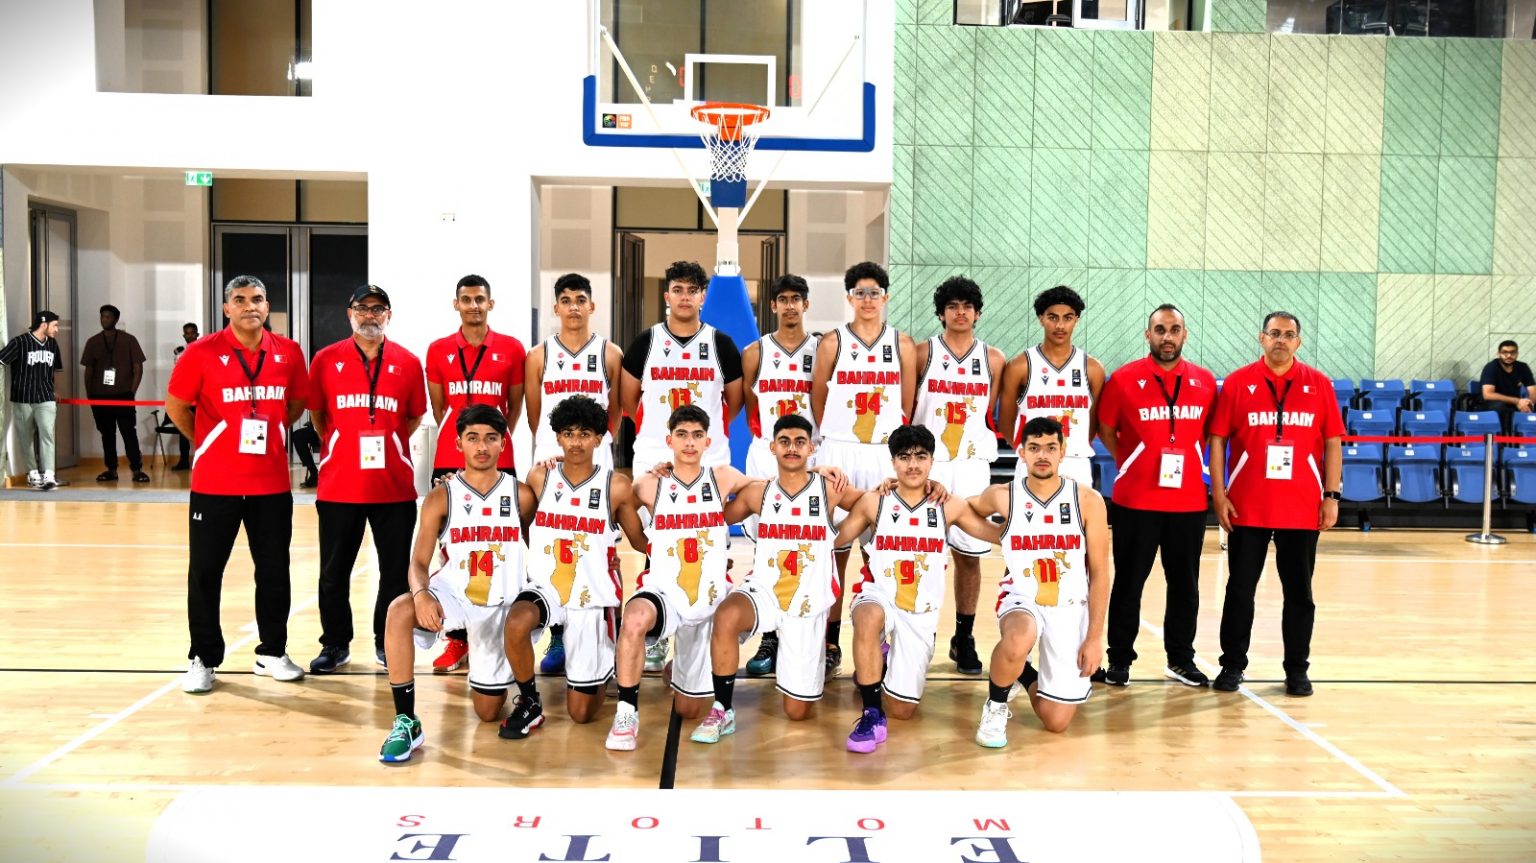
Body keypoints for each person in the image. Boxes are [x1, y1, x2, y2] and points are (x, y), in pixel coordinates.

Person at [165, 276, 310, 693]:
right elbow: (177, 406)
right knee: (206, 573)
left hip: (271, 484)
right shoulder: (201, 352)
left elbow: (296, 405)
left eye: (258, 299)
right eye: (241, 300)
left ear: (267, 306)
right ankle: (203, 657)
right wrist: (210, 440)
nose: (250, 306)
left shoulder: (288, 352)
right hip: (215, 484)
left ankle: (272, 652)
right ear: (227, 308)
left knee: (274, 570)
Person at [377, 405, 536, 762]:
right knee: (399, 610)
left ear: (503, 443)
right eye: (473, 438)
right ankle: (406, 721)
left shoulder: (521, 494)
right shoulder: (441, 496)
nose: (482, 446)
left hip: (501, 605)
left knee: (488, 711)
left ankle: (504, 672)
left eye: (491, 439)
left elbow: (542, 550)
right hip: (456, 595)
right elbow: (419, 562)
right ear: (458, 443)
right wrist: (421, 594)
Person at [829, 425, 1001, 754]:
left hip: (919, 611)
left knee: (904, 710)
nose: (912, 465)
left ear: (932, 461)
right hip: (879, 594)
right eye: (904, 457)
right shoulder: (874, 501)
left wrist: (1038, 520)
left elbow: (993, 533)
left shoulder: (948, 505)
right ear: (893, 462)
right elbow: (834, 540)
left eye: (920, 457)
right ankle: (871, 713)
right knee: (867, 616)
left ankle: (882, 658)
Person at [691, 414, 859, 743]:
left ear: (811, 448)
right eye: (784, 442)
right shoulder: (759, 492)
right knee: (726, 615)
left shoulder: (829, 488)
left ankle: (802, 664)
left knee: (797, 712)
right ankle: (722, 709)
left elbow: (870, 504)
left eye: (799, 442)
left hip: (807, 600)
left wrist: (838, 537)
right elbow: (712, 516)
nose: (792, 448)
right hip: (765, 590)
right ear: (772, 447)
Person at [604, 405, 756, 751]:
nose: (689, 443)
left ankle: (678, 667)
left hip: (709, 597)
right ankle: (626, 713)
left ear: (708, 442)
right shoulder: (649, 484)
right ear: (669, 440)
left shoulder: (724, 477)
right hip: (665, 593)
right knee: (634, 619)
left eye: (697, 435)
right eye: (682, 435)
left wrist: (817, 471)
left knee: (688, 710)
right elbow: (615, 511)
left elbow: (778, 488)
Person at [1208, 311, 1343, 698]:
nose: (1281, 340)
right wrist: (1219, 493)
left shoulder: (1318, 384)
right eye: (1274, 333)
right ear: (1261, 338)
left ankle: (1297, 669)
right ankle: (1232, 665)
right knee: (1240, 590)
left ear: (1298, 341)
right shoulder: (1238, 383)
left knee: (1299, 594)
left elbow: (1333, 442)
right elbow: (1217, 439)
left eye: (1288, 334)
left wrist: (1331, 496)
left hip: (1302, 508)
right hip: (1247, 506)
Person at [619, 260, 744, 673]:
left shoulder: (721, 344)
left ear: (703, 296)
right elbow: (627, 400)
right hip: (655, 449)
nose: (685, 296)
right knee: (661, 540)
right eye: (678, 289)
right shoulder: (646, 342)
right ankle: (657, 632)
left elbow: (734, 402)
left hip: (708, 452)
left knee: (709, 540)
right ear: (667, 295)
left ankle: (705, 625)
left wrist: (698, 439)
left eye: (693, 290)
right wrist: (663, 441)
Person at [499, 396, 645, 734]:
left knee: (581, 714)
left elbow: (639, 540)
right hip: (548, 587)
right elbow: (524, 523)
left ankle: (603, 665)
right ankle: (530, 701)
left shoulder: (616, 486)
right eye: (568, 434)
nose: (576, 442)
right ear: (557, 437)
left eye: (584, 434)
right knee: (517, 621)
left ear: (599, 439)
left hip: (591, 595)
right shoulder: (540, 476)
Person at [305, 285, 428, 674]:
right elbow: (318, 415)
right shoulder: (326, 360)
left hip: (393, 487)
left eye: (378, 309)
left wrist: (388, 441)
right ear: (350, 313)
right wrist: (343, 443)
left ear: (389, 315)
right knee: (334, 571)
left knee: (394, 571)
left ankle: (385, 640)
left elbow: (413, 417)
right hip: (340, 486)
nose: (370, 315)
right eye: (362, 308)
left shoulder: (408, 362)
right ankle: (335, 643)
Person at [969, 416, 1110, 745]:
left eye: (1050, 447)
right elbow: (963, 511)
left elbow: (1100, 573)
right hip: (1022, 595)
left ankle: (1022, 672)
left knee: (1056, 721)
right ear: (1021, 453)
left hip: (1069, 604)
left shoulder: (1087, 501)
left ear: (1063, 451)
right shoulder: (1003, 495)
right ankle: (996, 706)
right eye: (1034, 448)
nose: (1042, 455)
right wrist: (1002, 535)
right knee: (1020, 636)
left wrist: (1093, 638)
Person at [1096, 304, 1217, 687]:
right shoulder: (1124, 379)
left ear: (1185, 334)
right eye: (1160, 329)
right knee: (1129, 583)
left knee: (1185, 586)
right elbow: (1106, 428)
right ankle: (1119, 660)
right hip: (1136, 501)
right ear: (1148, 335)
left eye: (1174, 329)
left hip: (1188, 502)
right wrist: (1131, 461)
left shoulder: (1204, 381)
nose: (1168, 336)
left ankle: (1180, 659)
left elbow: (1208, 435)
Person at [811, 261, 917, 680]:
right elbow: (818, 397)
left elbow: (906, 403)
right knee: (833, 553)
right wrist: (835, 437)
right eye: (860, 292)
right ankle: (830, 642)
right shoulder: (832, 342)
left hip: (881, 454)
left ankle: (881, 641)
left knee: (884, 552)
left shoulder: (902, 344)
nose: (868, 299)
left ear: (885, 297)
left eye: (875, 292)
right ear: (849, 297)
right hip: (840, 449)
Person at [425, 273, 528, 674]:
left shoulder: (511, 348)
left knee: (500, 542)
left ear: (490, 303)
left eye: (479, 299)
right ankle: (456, 637)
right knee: (451, 548)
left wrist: (491, 443)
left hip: (499, 458)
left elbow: (513, 408)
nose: (473, 305)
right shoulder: (438, 350)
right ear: (456, 304)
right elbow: (440, 409)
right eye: (466, 299)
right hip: (451, 459)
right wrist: (464, 444)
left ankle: (502, 630)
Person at [524, 272, 624, 676]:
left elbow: (615, 411)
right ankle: (558, 632)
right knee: (554, 546)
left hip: (595, 456)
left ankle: (608, 630)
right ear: (556, 308)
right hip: (552, 457)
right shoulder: (539, 355)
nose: (574, 307)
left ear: (592, 306)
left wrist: (595, 440)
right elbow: (535, 416)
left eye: (580, 299)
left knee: (601, 545)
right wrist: (552, 450)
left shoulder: (610, 353)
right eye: (566, 300)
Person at [912, 276, 1005, 676]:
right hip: (927, 465)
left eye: (967, 306)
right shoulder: (922, 353)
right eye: (952, 306)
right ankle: (921, 632)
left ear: (978, 313)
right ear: (941, 313)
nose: (960, 312)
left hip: (969, 464)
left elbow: (990, 412)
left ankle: (963, 637)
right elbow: (908, 408)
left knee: (969, 556)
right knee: (923, 556)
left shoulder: (994, 359)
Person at [737, 273, 821, 677]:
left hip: (809, 455)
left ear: (806, 304)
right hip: (766, 455)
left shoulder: (822, 350)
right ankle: (769, 634)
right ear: (772, 306)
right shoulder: (754, 352)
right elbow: (745, 404)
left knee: (810, 546)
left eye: (796, 298)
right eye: (783, 299)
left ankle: (811, 633)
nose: (790, 305)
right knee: (767, 547)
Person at [998, 285, 1105, 486]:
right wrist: (1030, 450)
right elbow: (1005, 422)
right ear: (1041, 319)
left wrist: (1073, 446)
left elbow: (1094, 422)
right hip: (1033, 461)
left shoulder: (1092, 368)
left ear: (1076, 320)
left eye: (1068, 317)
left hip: (1075, 461)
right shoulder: (1020, 366)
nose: (1060, 325)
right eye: (1053, 317)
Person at [80, 304, 148, 483]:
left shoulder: (129, 340)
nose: (105, 320)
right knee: (107, 434)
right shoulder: (93, 341)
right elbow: (88, 370)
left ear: (116, 319)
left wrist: (131, 392)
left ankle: (136, 468)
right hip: (100, 396)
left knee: (128, 432)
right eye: (102, 316)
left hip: (123, 395)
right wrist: (90, 395)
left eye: (108, 317)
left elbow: (138, 368)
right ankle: (111, 469)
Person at [0, 311, 63, 490]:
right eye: (55, 325)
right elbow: (2, 360)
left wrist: (55, 390)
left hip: (45, 397)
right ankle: (33, 473)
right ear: (44, 324)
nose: (57, 329)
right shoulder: (19, 342)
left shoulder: (52, 344)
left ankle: (49, 474)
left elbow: (55, 370)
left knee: (47, 433)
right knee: (25, 437)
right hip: (22, 398)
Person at [1479, 340, 1535, 431]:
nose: (1509, 355)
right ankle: (1504, 438)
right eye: (1505, 352)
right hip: (1490, 404)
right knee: (1501, 407)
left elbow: (1532, 391)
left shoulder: (1522, 367)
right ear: (1498, 354)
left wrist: (1529, 404)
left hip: (1514, 403)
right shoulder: (1491, 367)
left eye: (1512, 352)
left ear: (1517, 354)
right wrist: (1517, 401)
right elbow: (1488, 394)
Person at [170, 322, 200, 470]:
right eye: (187, 333)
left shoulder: (204, 349)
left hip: (200, 397)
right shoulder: (179, 352)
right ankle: (183, 461)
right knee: (184, 430)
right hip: (186, 397)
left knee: (202, 430)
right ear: (184, 335)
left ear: (197, 334)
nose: (190, 335)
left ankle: (202, 461)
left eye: (192, 333)